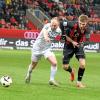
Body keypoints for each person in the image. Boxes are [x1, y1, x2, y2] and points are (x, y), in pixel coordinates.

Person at [25, 17, 61, 86]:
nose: (53, 26)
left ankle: (51, 80)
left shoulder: (59, 30)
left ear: (58, 25)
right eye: (52, 25)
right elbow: (45, 32)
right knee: (33, 65)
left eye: (55, 25)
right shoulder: (47, 25)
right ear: (50, 23)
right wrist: (46, 37)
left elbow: (63, 37)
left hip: (47, 49)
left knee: (54, 63)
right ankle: (29, 74)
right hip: (37, 48)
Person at [62, 14, 90, 88]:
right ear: (78, 21)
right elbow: (65, 35)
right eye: (80, 23)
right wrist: (72, 42)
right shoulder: (72, 24)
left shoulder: (87, 29)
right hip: (68, 46)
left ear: (86, 23)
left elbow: (87, 41)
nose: (81, 25)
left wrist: (82, 44)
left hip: (78, 46)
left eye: (83, 24)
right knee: (65, 67)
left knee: (83, 64)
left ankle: (79, 82)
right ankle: (71, 72)